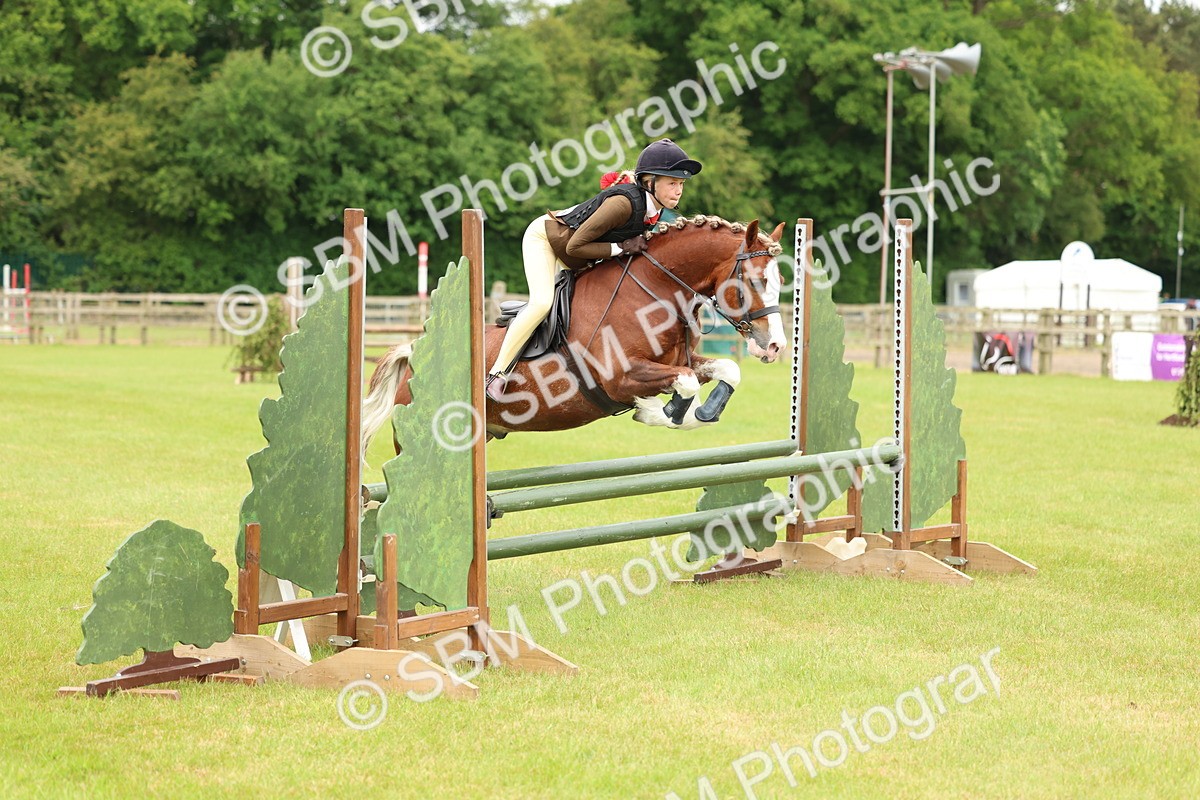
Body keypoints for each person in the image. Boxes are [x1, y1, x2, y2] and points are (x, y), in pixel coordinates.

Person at [485, 138, 702, 400]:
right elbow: (575, 246)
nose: (678, 191)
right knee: (542, 303)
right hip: (548, 239)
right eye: (672, 183)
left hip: (580, 254)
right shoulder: (623, 204)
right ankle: (497, 374)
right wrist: (621, 247)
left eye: (681, 184)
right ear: (649, 182)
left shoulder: (653, 211)